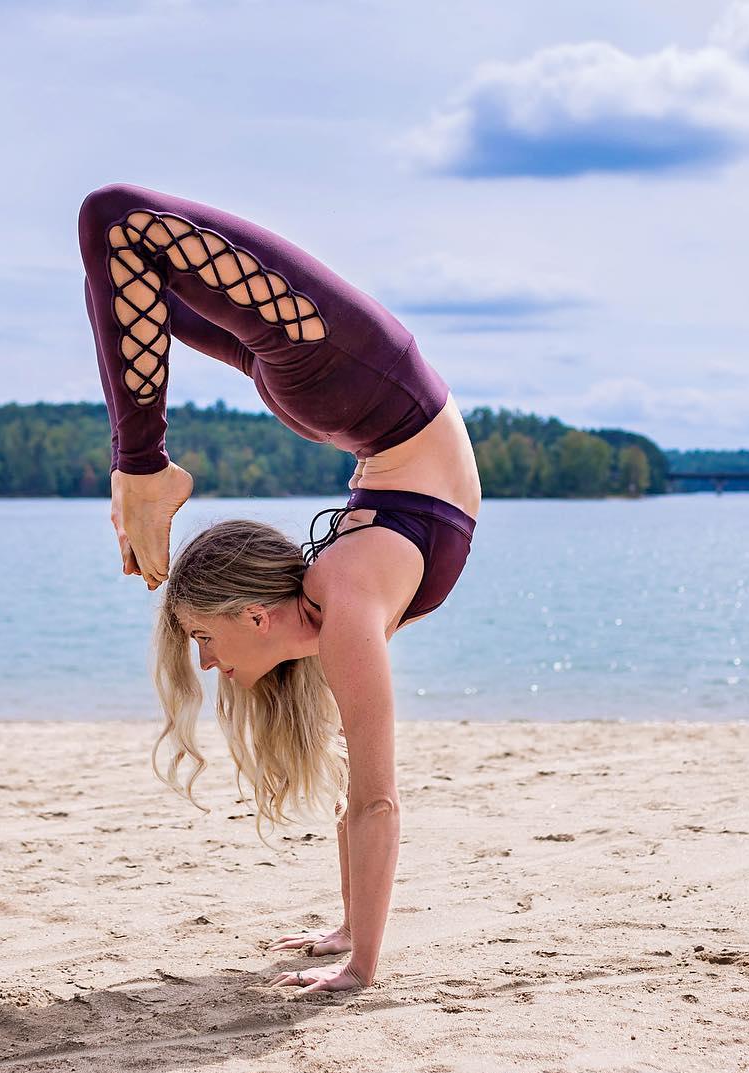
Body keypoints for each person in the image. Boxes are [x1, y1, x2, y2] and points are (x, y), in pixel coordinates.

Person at [78, 182, 482, 997]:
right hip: (351, 394)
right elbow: (359, 798)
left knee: (115, 224)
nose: (207, 663)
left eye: (203, 640)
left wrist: (361, 968)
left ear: (253, 614)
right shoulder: (337, 610)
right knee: (123, 258)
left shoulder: (343, 601)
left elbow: (379, 805)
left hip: (356, 383)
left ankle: (144, 467)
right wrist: (347, 930)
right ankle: (142, 467)